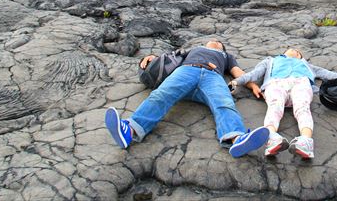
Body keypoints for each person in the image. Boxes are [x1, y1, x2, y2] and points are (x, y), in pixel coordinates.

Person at [105, 39, 269, 158]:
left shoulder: (226, 56)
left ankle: (237, 139)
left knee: (224, 103)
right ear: (205, 44)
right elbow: (170, 58)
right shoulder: (193, 49)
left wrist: (252, 85)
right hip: (186, 71)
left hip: (212, 77)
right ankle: (129, 130)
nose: (214, 41)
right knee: (161, 95)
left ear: (221, 47)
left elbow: (237, 72)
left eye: (218, 42)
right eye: (211, 41)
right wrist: (152, 58)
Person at [229, 48, 337, 159]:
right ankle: (272, 138)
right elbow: (254, 74)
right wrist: (236, 81)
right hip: (276, 83)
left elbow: (331, 75)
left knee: (303, 108)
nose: (293, 50)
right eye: (290, 49)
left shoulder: (308, 65)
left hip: (301, 83)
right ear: (283, 53)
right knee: (274, 107)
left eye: (297, 51)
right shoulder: (270, 60)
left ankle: (305, 142)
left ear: (300, 56)